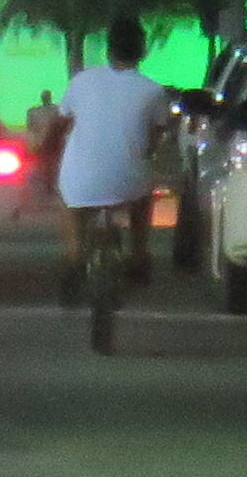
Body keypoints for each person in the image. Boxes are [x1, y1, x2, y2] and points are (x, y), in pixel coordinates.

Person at [54, 16, 174, 300]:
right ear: (143, 51)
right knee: (143, 199)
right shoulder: (153, 91)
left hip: (81, 180)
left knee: (71, 203)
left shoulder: (81, 81)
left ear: (109, 51)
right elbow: (157, 135)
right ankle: (140, 254)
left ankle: (75, 256)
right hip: (129, 180)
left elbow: (60, 123)